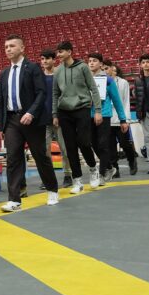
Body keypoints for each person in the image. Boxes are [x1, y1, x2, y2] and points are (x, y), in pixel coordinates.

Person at [0, 35, 59, 212]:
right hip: (12, 120)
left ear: (22, 48)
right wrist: (2, 125)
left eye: (12, 46)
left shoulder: (33, 68)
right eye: (6, 46)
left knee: (40, 155)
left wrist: (31, 112)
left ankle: (52, 190)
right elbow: (2, 100)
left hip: (32, 119)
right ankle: (14, 199)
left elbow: (41, 93)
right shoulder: (4, 73)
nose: (8, 49)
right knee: (13, 158)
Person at [52, 40, 102, 194]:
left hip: (82, 108)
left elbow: (93, 89)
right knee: (70, 147)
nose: (58, 55)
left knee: (84, 142)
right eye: (58, 52)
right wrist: (55, 114)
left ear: (69, 52)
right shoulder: (57, 71)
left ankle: (93, 169)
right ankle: (77, 180)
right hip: (64, 111)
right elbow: (55, 93)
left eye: (61, 51)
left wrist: (98, 110)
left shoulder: (83, 67)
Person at [86, 53, 129, 182]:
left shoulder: (108, 80)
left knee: (103, 144)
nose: (91, 63)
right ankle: (110, 167)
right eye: (89, 61)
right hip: (88, 116)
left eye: (94, 60)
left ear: (101, 64)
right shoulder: (85, 79)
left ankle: (101, 173)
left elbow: (117, 100)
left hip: (104, 115)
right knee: (93, 144)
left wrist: (123, 120)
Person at [40, 50, 72, 187]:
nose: (44, 61)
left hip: (60, 118)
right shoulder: (39, 77)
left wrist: (58, 114)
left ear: (54, 60)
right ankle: (48, 178)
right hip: (43, 120)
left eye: (47, 58)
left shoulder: (60, 75)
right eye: (42, 59)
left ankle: (68, 175)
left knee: (64, 149)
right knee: (44, 151)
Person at [108, 62, 139, 174]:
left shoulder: (123, 82)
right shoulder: (101, 82)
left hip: (120, 119)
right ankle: (115, 168)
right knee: (110, 146)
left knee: (125, 143)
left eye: (113, 70)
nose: (110, 72)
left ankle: (132, 160)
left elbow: (126, 101)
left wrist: (126, 119)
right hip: (107, 119)